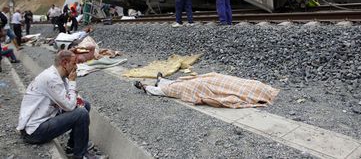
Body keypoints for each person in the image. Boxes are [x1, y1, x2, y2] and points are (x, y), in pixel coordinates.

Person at [16, 50, 105, 159]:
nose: (76, 67)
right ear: (64, 63)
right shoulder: (51, 78)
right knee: (81, 113)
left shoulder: (60, 76)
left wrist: (77, 97)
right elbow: (69, 106)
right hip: (34, 131)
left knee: (85, 105)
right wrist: (73, 82)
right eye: (74, 63)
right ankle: (80, 155)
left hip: (44, 119)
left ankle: (72, 147)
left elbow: (74, 99)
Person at [133, 72, 279, 108]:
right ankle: (161, 83)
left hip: (212, 81)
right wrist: (203, 100)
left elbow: (218, 101)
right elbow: (220, 102)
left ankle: (150, 88)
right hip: (213, 82)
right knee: (185, 86)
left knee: (185, 85)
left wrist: (203, 100)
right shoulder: (244, 97)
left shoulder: (255, 84)